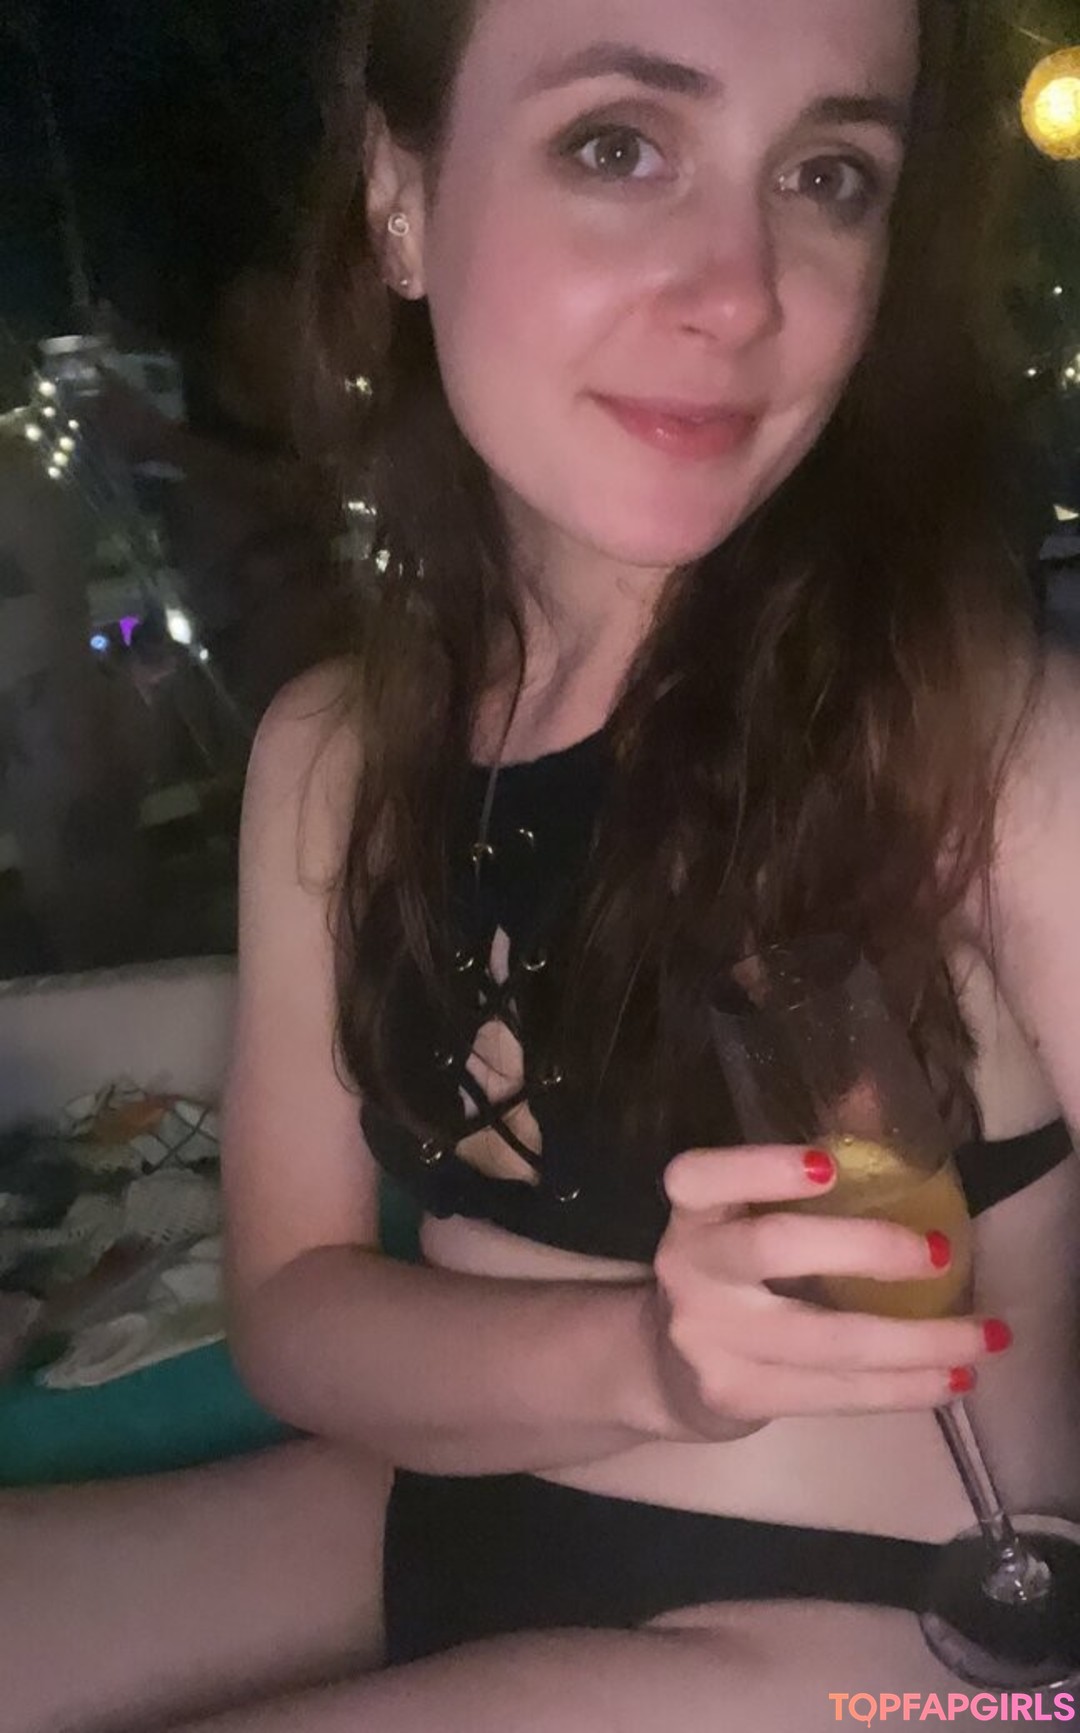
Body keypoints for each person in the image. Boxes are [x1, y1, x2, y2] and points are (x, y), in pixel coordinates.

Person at [3, 0, 1080, 1728]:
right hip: (428, 1512)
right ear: (402, 197)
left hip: (903, 1629)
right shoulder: (334, 757)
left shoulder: (983, 742)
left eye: (827, 175)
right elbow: (294, 1307)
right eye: (618, 146)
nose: (738, 290)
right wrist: (650, 1360)